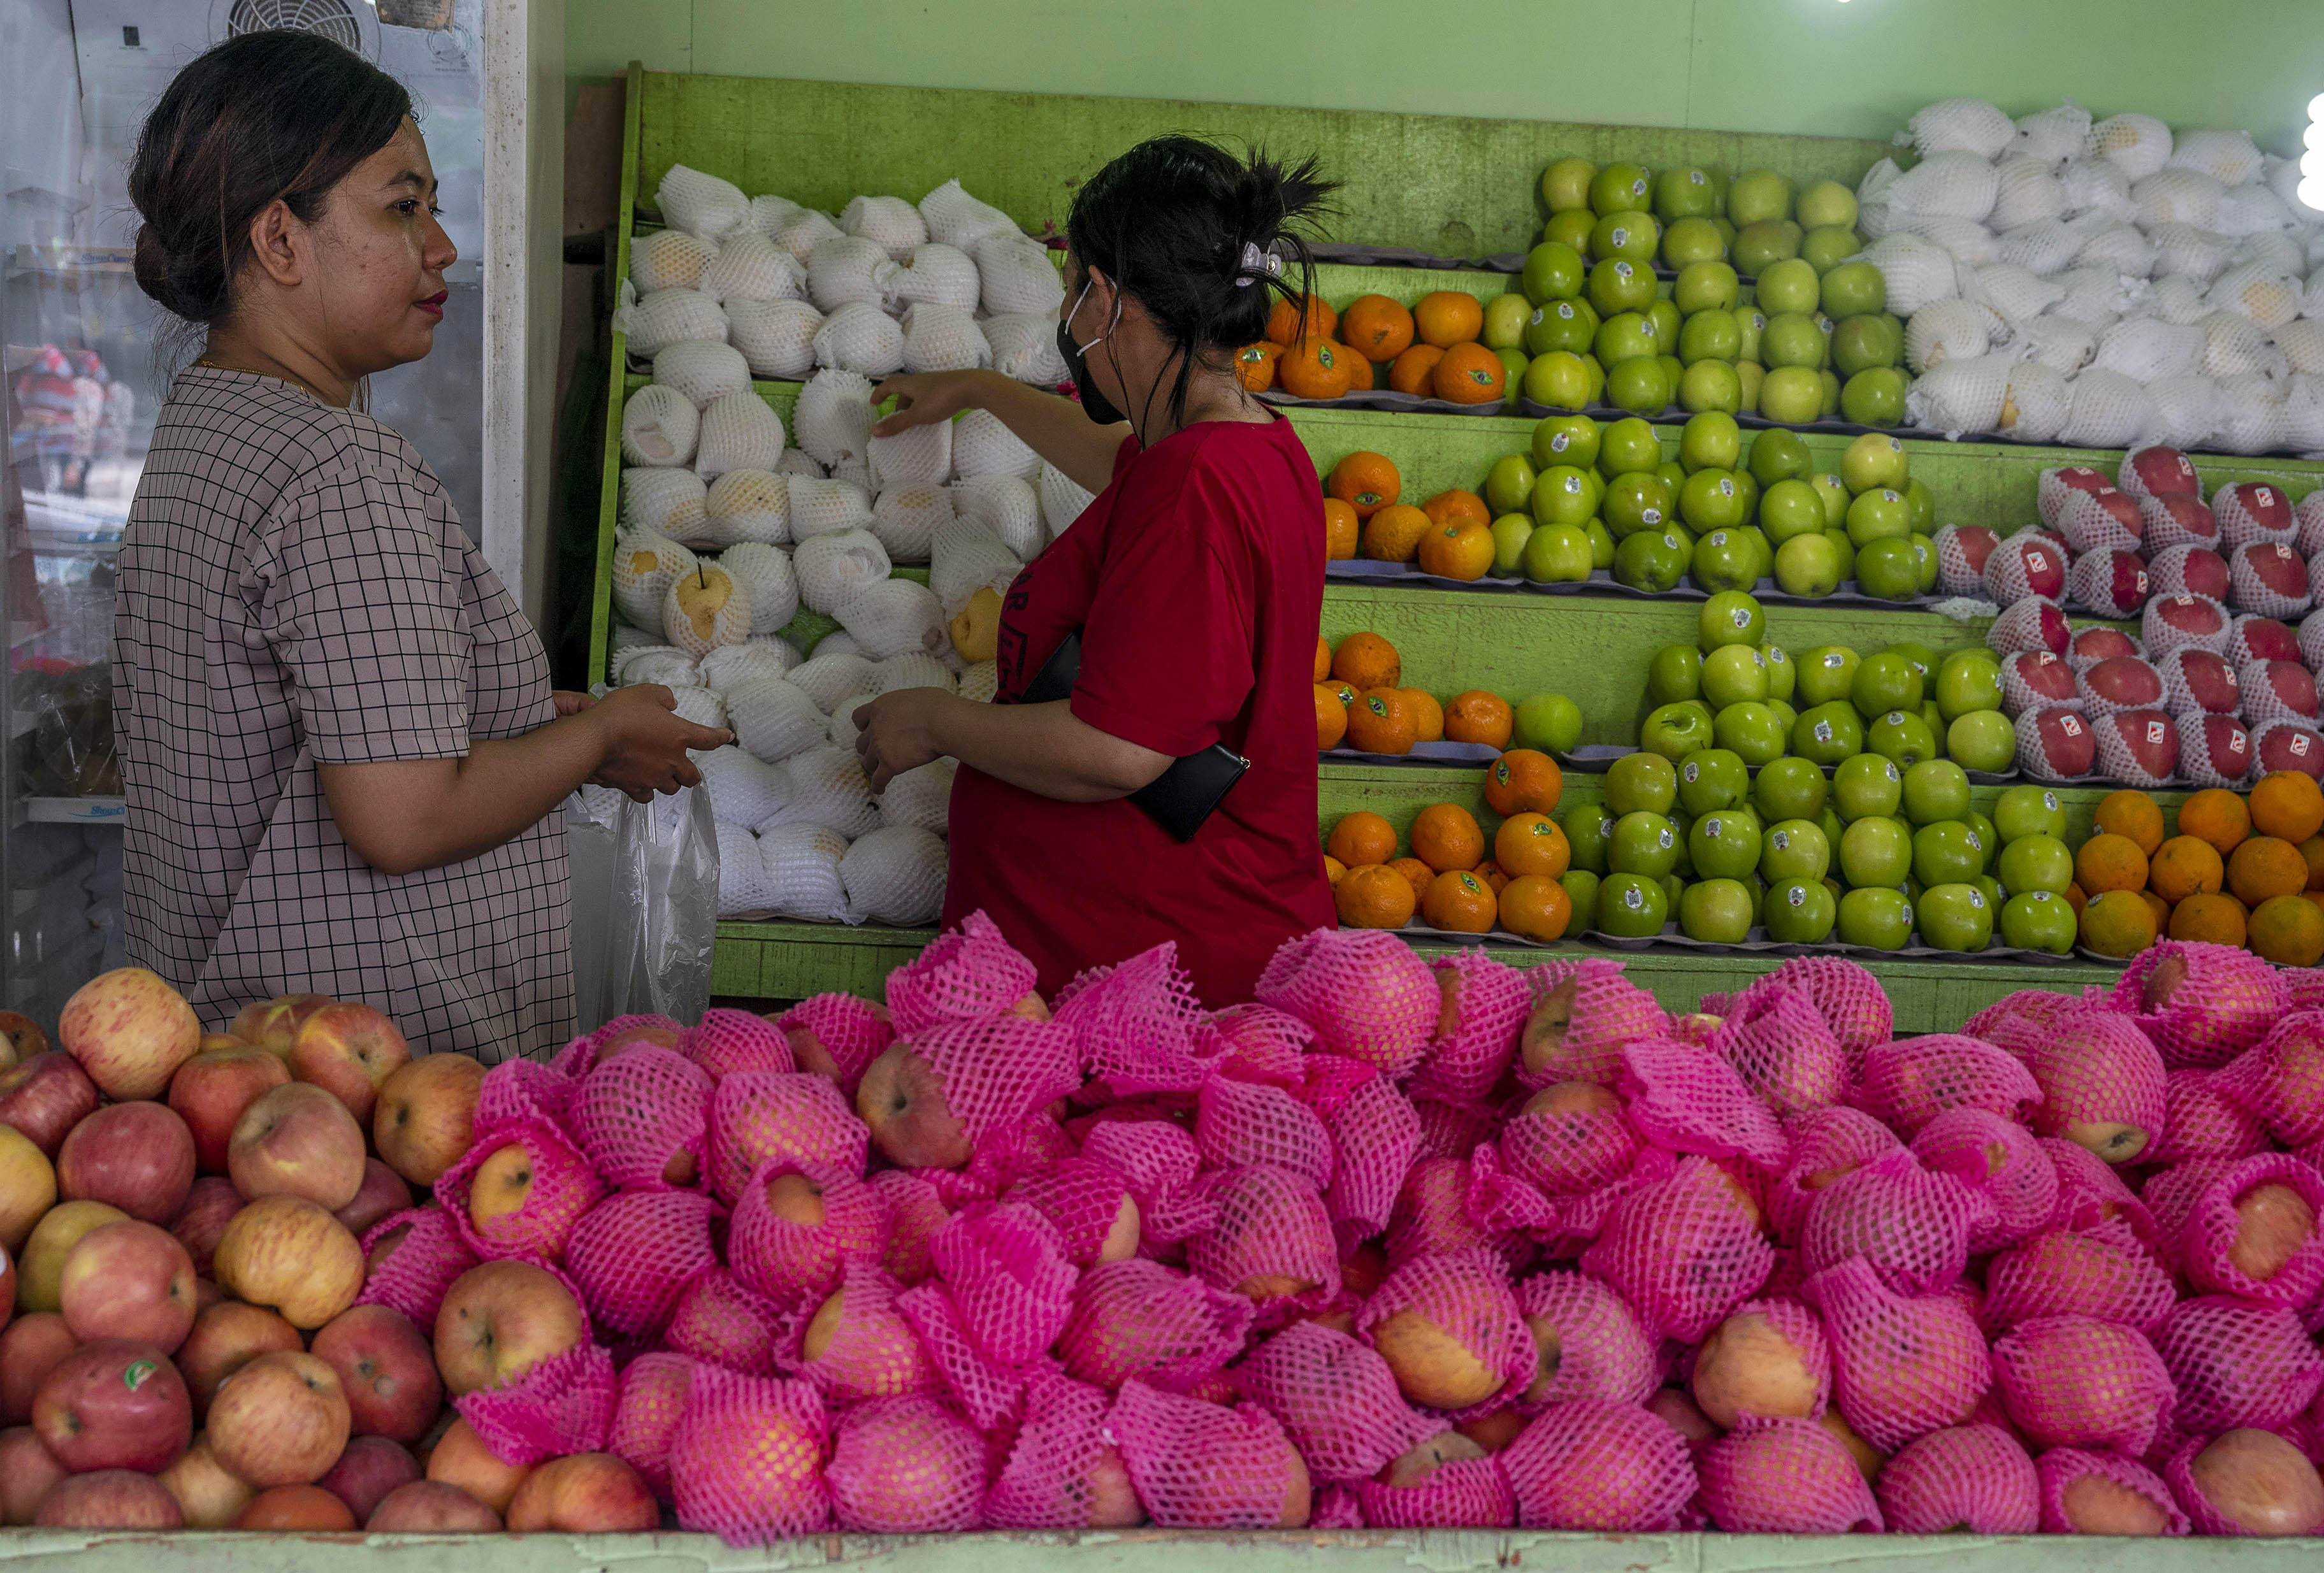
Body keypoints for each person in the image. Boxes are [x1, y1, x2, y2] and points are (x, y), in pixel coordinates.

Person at [114, 31, 725, 1059]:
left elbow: (295, 720)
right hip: (369, 1073)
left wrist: (526, 720)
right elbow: (402, 816)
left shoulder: (206, 424)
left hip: (228, 1049)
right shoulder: (339, 472)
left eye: (434, 206)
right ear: (279, 241)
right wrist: (600, 737)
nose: (440, 246)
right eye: (403, 207)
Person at [854, 136, 1338, 1006]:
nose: (1070, 322)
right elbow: (1111, 450)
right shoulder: (1241, 443)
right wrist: (976, 387)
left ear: (1107, 299)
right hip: (1156, 950)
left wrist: (934, 721)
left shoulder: (1195, 485)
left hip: (1159, 977)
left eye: (1075, 290)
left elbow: (1122, 750)